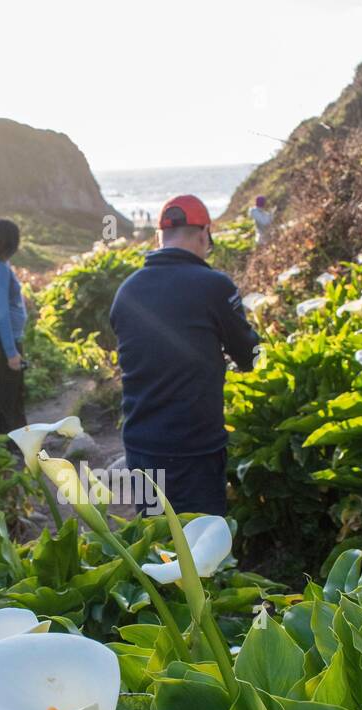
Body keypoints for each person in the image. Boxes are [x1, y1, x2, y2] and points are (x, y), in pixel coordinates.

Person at [110, 193, 259, 516]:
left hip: (140, 446)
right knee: (202, 548)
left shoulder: (126, 292)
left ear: (159, 237)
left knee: (157, 547)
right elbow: (249, 356)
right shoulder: (213, 286)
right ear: (204, 234)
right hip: (194, 448)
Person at [0, 217, 28, 433]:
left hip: (8, 339)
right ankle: (15, 443)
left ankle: (15, 440)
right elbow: (1, 314)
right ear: (11, 241)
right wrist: (11, 353)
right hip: (8, 341)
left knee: (12, 391)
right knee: (11, 394)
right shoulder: (0, 269)